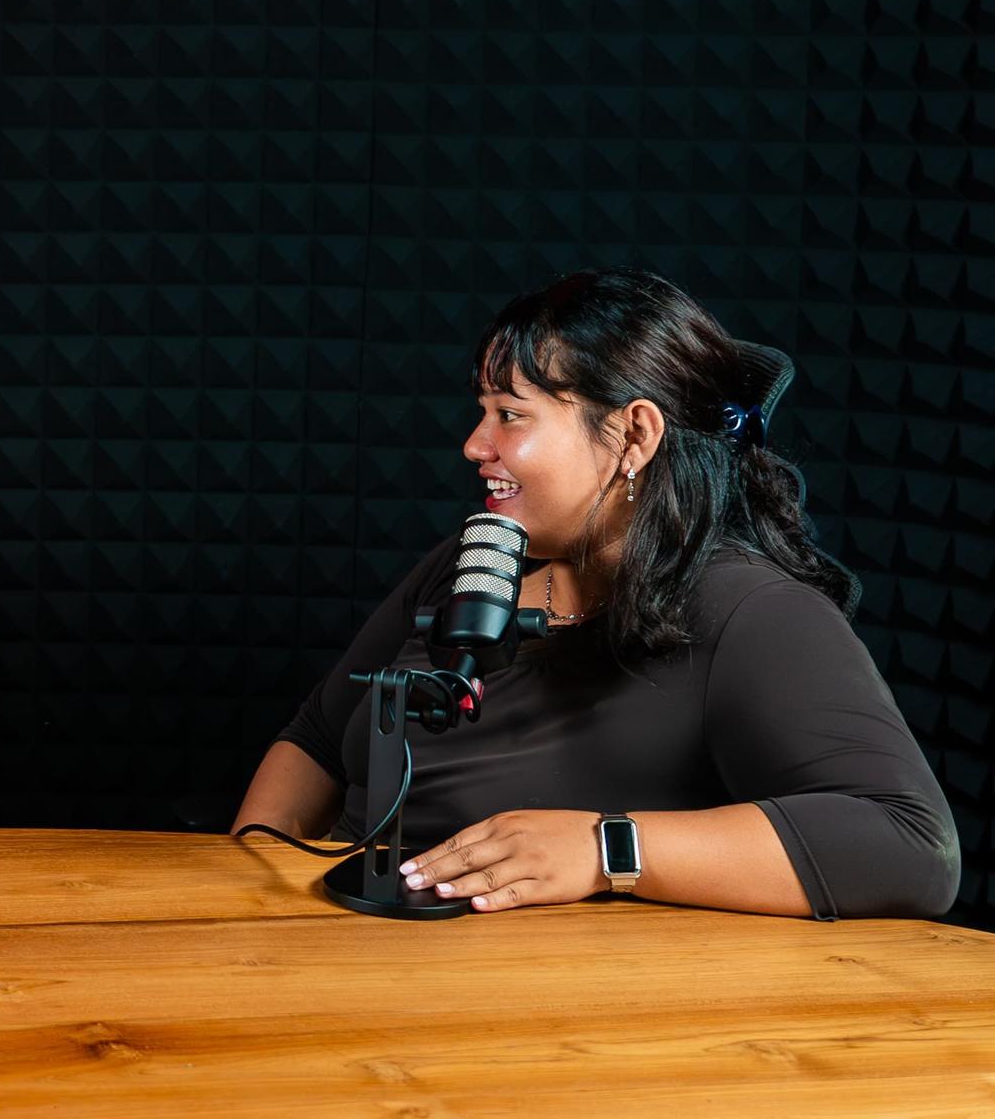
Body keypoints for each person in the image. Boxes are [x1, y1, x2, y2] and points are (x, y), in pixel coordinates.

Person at [231, 268, 960, 919]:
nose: (475, 445)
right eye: (481, 411)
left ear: (633, 436)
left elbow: (911, 847)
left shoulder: (754, 611)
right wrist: (234, 897)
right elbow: (317, 741)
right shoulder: (474, 561)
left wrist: (604, 848)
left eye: (510, 415)